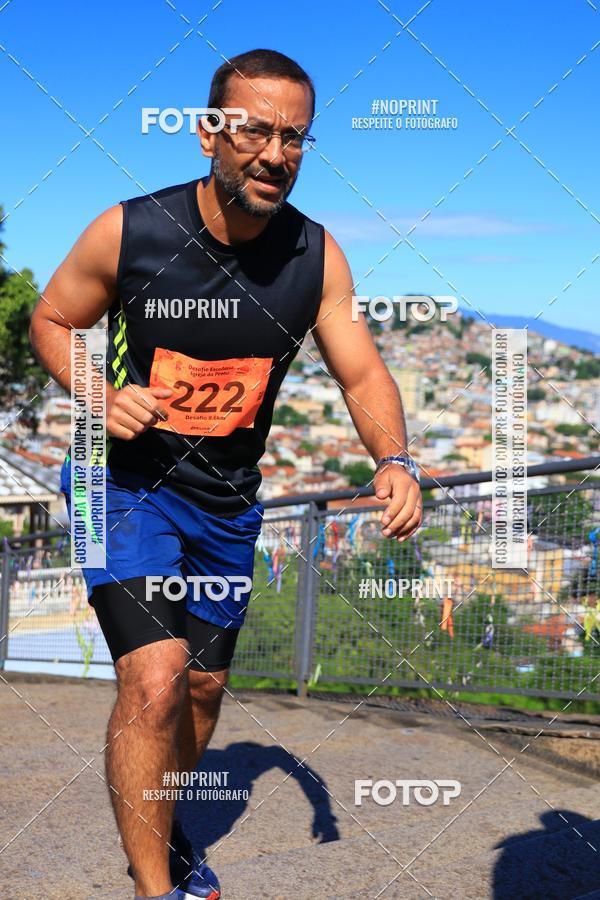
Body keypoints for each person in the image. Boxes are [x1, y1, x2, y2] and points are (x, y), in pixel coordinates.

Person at [29, 48, 422, 900]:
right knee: (155, 679)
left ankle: (165, 823)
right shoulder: (130, 231)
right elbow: (52, 318)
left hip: (226, 505)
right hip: (118, 484)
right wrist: (98, 393)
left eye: (295, 137)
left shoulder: (315, 256)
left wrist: (394, 459)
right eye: (255, 131)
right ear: (209, 133)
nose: (276, 153)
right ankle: (155, 887)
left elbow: (361, 371)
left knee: (202, 690)